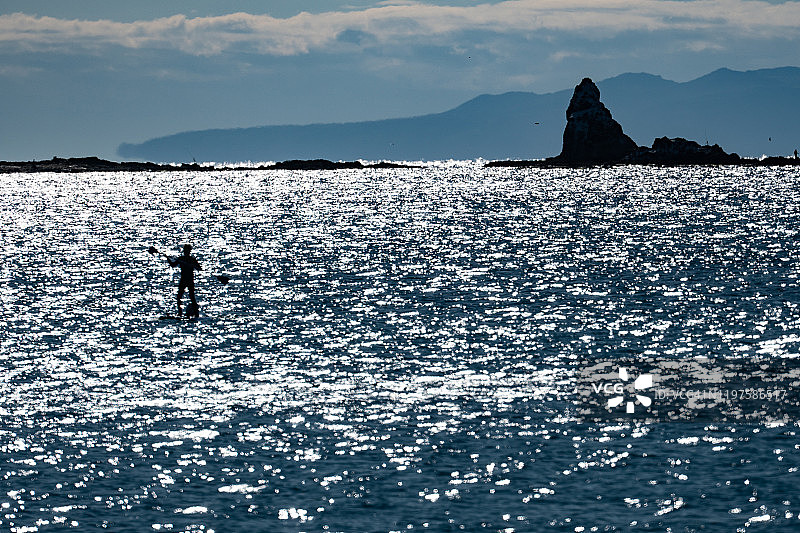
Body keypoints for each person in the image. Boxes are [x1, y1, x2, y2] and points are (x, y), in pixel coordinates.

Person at [167, 244, 201, 317]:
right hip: (183, 280)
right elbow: (173, 265)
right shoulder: (181, 259)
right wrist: (168, 259)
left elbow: (199, 268)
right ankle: (180, 313)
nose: (185, 252)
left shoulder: (192, 259)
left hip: (190, 280)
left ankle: (196, 314)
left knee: (192, 297)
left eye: (187, 250)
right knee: (179, 297)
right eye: (185, 250)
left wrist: (192, 265)